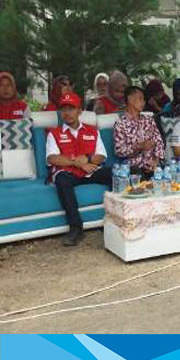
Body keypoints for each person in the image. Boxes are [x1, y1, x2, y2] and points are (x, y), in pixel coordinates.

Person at [46, 92, 111, 246]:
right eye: (64, 109)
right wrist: (77, 162)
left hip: (90, 171)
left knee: (114, 173)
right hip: (68, 173)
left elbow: (101, 156)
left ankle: (114, 219)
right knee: (61, 180)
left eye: (71, 108)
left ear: (80, 110)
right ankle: (76, 228)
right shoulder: (54, 134)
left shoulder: (92, 130)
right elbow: (52, 158)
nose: (67, 113)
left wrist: (88, 159)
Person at [113, 86, 165, 178]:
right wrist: (139, 146)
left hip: (153, 164)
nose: (144, 102)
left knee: (166, 176)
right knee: (138, 177)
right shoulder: (121, 124)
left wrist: (156, 161)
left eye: (144, 100)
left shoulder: (149, 120)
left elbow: (159, 142)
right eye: (140, 99)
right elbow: (119, 151)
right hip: (134, 167)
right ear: (130, 99)